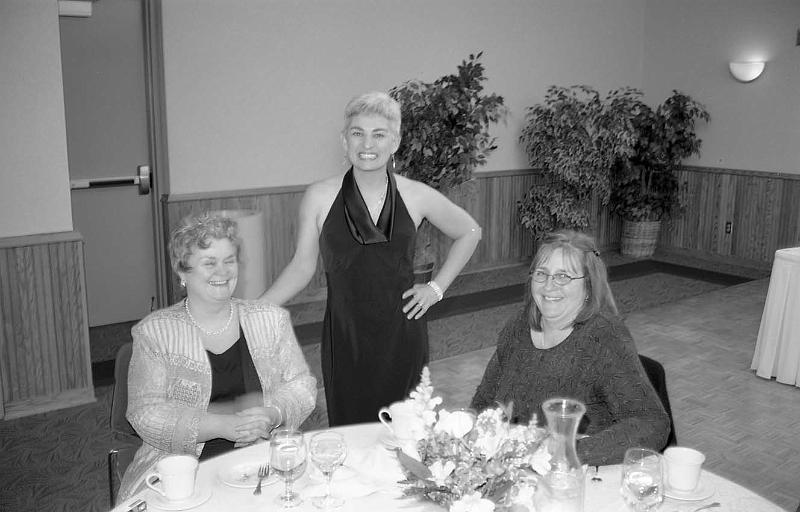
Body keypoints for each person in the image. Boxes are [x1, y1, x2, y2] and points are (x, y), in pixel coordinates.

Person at [261, 91, 481, 426]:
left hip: (402, 332)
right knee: (350, 430)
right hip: (345, 334)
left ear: (395, 141)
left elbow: (470, 232)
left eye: (379, 134)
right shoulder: (319, 196)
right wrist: (254, 310)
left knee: (404, 432)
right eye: (357, 133)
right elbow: (302, 266)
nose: (368, 143)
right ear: (343, 140)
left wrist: (435, 289)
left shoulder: (415, 194)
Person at [118, 212, 316, 501]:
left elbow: (302, 386)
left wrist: (274, 413)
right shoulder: (155, 333)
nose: (222, 272)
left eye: (229, 261)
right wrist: (222, 426)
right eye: (209, 263)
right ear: (182, 273)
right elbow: (145, 413)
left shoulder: (270, 320)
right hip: (184, 467)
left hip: (261, 461)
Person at [470, 230, 669, 466]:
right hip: (512, 471)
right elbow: (484, 403)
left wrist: (567, 453)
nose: (549, 286)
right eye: (541, 274)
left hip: (576, 477)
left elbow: (651, 423)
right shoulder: (518, 327)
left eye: (563, 276)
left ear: (587, 285)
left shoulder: (603, 337)